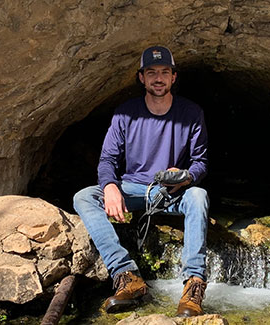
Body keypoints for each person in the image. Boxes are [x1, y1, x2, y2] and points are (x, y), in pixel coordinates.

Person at [73, 46, 209, 316]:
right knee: (84, 197)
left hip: (172, 192)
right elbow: (107, 159)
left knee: (199, 195)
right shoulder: (126, 113)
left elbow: (200, 163)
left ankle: (193, 285)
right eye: (152, 73)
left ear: (173, 77)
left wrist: (186, 176)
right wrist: (110, 186)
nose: (158, 78)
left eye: (164, 72)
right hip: (134, 188)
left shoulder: (192, 113)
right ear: (141, 78)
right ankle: (127, 276)